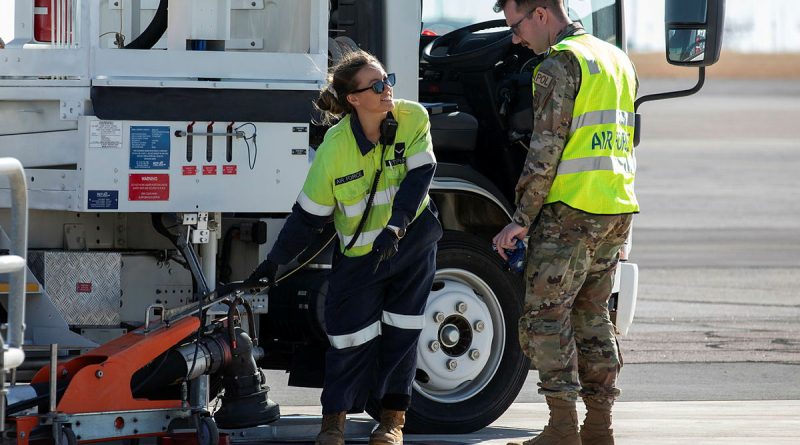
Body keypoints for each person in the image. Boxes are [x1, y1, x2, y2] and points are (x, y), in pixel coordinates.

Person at [249, 50, 441, 445]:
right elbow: (307, 217)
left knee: (403, 331)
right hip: (360, 256)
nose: (388, 89)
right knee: (348, 338)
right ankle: (333, 420)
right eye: (377, 85)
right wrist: (274, 263)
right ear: (354, 99)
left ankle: (392, 420)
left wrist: (397, 225)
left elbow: (420, 175)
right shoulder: (335, 149)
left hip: (410, 243)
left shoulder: (412, 118)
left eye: (388, 79)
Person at [491, 1, 638, 444]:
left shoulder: (558, 64)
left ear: (539, 14)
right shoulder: (616, 59)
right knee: (593, 316)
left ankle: (561, 428)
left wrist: (519, 220)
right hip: (615, 206)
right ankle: (598, 427)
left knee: (544, 319)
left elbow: (545, 150)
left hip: (570, 211)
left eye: (515, 26)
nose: (515, 38)